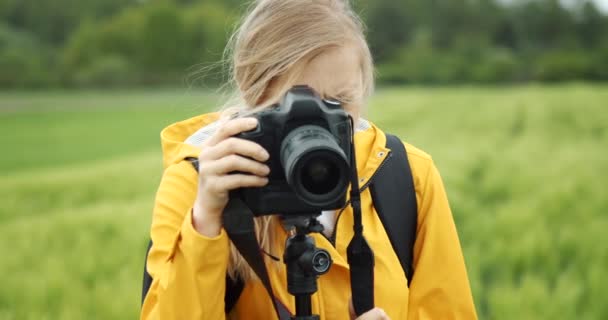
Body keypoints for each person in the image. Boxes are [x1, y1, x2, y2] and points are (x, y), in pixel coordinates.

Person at [140, 0, 477, 319]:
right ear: (253, 93)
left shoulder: (405, 179)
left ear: (363, 88)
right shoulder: (197, 183)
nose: (321, 123)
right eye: (298, 103)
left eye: (340, 101)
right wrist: (207, 219)